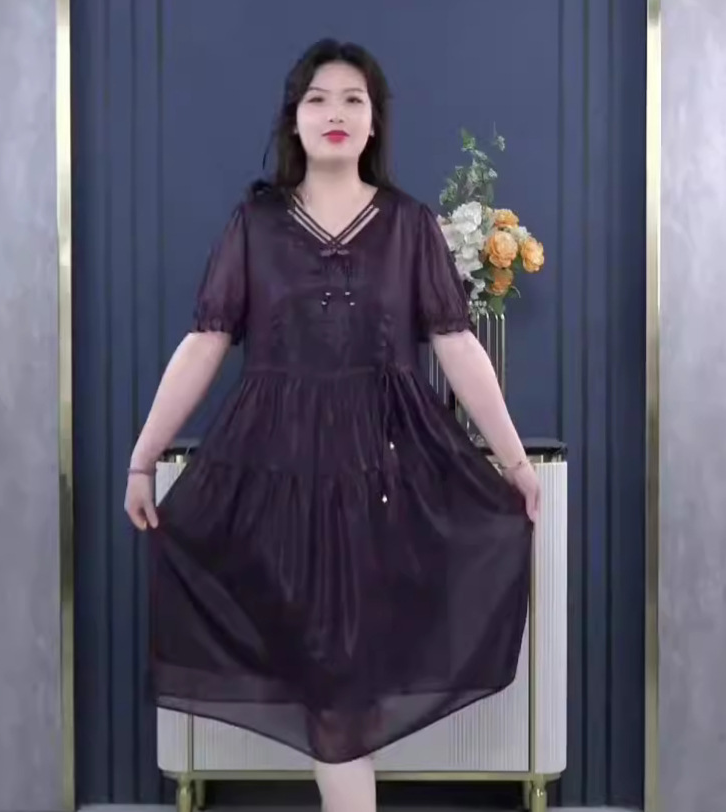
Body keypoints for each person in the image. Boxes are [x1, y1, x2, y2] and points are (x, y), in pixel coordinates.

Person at [125, 38, 540, 812]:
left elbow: (455, 345)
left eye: (354, 98)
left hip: (383, 487)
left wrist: (514, 463)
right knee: (332, 695)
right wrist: (142, 460)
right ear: (294, 118)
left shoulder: (410, 226)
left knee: (340, 697)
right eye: (317, 99)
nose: (336, 113)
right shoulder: (254, 224)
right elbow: (207, 341)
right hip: (275, 487)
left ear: (375, 121)